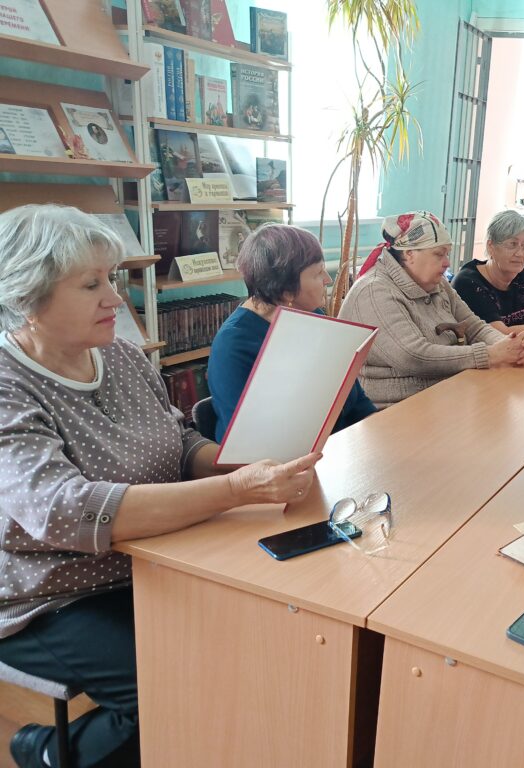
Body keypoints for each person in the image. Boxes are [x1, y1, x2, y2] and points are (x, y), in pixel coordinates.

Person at [0, 205, 319, 768]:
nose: (115, 298)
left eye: (112, 279)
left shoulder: (121, 356)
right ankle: (47, 751)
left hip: (153, 557)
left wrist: (242, 464)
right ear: (28, 296)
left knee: (261, 639)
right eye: (91, 285)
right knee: (174, 684)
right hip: (49, 592)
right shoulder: (8, 383)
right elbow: (65, 510)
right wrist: (238, 489)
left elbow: (179, 438)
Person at [339, 211, 524, 408]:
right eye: (439, 254)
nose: (447, 262)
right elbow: (414, 357)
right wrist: (490, 354)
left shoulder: (438, 283)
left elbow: (474, 326)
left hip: (444, 396)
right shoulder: (374, 291)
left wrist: (509, 345)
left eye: (447, 253)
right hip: (394, 409)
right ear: (409, 254)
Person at [207, 223, 376, 442]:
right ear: (286, 289)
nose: (328, 279)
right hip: (282, 460)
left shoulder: (314, 315)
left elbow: (356, 401)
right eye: (318, 273)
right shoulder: (233, 346)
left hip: (341, 447)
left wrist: (379, 433)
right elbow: (248, 441)